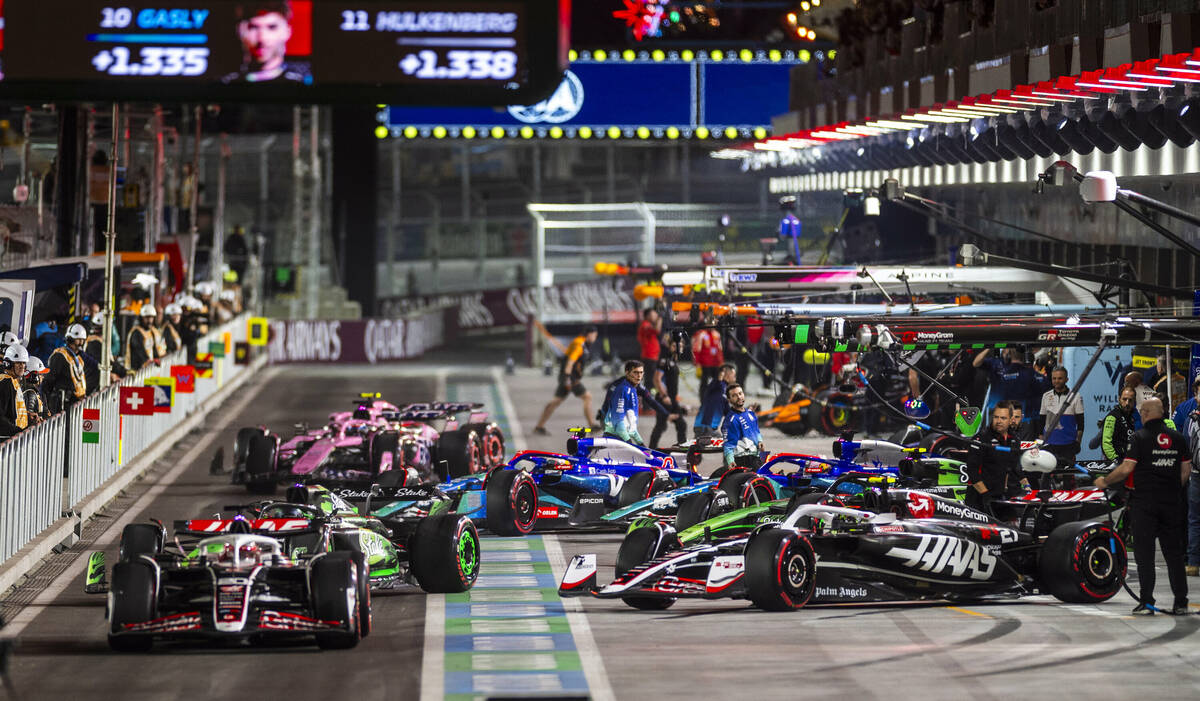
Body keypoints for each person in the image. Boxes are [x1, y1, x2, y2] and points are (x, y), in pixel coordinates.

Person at [1094, 397, 1190, 615]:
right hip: (1172, 502)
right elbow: (1185, 471)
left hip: (1145, 503)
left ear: (1146, 413)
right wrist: (1171, 489)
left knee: (1144, 554)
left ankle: (1147, 602)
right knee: (1174, 554)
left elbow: (1127, 468)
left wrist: (1105, 481)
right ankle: (1181, 602)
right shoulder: (1178, 438)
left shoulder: (1139, 438)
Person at [222, 2, 311, 83]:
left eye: (272, 27)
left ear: (287, 32)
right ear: (240, 31)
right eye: (253, 27)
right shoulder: (226, 83)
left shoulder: (303, 80)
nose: (262, 38)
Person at [532, 326, 599, 435]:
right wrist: (567, 379)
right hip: (570, 378)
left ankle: (539, 426)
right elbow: (570, 362)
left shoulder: (582, 343)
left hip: (569, 377)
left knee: (556, 401)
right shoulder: (579, 345)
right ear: (589, 334)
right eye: (595, 335)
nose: (595, 338)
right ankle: (592, 425)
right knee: (587, 397)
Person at [964, 404, 1030, 513]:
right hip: (979, 498)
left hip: (1002, 497)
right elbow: (972, 470)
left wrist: (1027, 486)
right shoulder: (981, 438)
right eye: (996, 417)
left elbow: (1015, 467)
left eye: (1003, 418)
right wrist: (985, 495)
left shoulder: (1014, 439)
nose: (998, 421)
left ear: (1010, 420)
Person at [600, 361, 675, 446]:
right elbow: (614, 414)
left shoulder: (635, 386)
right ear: (627, 373)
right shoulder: (620, 388)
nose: (639, 376)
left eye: (641, 372)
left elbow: (651, 401)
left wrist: (666, 414)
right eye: (635, 372)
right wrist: (628, 442)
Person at [972, 346, 1048, 417]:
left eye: (1008, 350)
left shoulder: (1024, 369)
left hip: (1017, 409)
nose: (1006, 352)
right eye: (1005, 350)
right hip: (996, 407)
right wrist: (989, 347)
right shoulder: (996, 362)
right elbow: (976, 363)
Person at [1039, 366, 1084, 469]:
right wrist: (1041, 441)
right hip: (1049, 444)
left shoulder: (1075, 396)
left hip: (1068, 444)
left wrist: (1078, 442)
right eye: (1054, 378)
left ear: (1066, 379)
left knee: (1067, 476)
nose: (1056, 381)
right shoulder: (1046, 396)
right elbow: (1041, 421)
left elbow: (1081, 423)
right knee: (1047, 475)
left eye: (1060, 378)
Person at [650, 333, 689, 450]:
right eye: (675, 345)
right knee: (661, 425)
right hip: (664, 399)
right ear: (670, 346)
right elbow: (656, 379)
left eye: (681, 345)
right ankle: (651, 450)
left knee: (680, 425)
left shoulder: (674, 361)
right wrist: (664, 395)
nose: (678, 347)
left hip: (672, 399)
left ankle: (682, 449)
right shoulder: (665, 361)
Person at [44, 323, 88, 413]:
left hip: (75, 403)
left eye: (82, 340)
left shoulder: (78, 359)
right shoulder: (60, 356)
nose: (80, 343)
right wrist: (45, 406)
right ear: (70, 340)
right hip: (62, 404)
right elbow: (48, 381)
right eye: (78, 340)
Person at [723, 384, 765, 469]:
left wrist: (760, 441)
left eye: (740, 393)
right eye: (734, 395)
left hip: (755, 459)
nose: (739, 397)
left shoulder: (750, 413)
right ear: (729, 400)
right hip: (742, 461)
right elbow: (728, 444)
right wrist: (730, 461)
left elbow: (756, 430)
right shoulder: (730, 420)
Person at [694, 363, 736, 439]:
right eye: (734, 375)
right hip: (704, 426)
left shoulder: (725, 390)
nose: (735, 378)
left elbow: (728, 412)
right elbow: (715, 385)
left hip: (711, 428)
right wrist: (719, 377)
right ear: (727, 374)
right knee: (723, 443)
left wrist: (744, 412)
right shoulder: (716, 385)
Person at [1102, 387, 1139, 464]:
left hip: (1129, 460)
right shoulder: (1112, 417)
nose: (1127, 403)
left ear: (1134, 401)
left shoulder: (1134, 416)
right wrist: (1115, 460)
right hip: (1116, 461)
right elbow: (1106, 443)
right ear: (1119, 399)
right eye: (1124, 399)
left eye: (1130, 400)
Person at [0, 344, 30, 438]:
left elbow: (12, 411)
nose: (22, 366)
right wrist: (17, 431)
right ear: (8, 364)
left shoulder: (13, 381)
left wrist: (28, 416)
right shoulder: (5, 383)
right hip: (6, 439)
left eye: (23, 363)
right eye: (18, 363)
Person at [692, 324, 724, 399]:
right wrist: (697, 362)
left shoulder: (717, 334)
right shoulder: (701, 334)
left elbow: (720, 349)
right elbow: (696, 349)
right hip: (704, 364)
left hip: (715, 363)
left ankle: (716, 399)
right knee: (704, 383)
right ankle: (703, 400)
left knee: (717, 382)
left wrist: (721, 361)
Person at [126, 305, 161, 371]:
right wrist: (146, 360)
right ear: (141, 318)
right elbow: (138, 349)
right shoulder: (136, 332)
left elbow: (153, 348)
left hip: (147, 368)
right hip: (136, 370)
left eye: (151, 317)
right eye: (147, 317)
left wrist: (156, 358)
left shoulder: (150, 331)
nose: (149, 320)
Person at [636, 308, 661, 389]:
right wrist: (660, 319)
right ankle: (647, 399)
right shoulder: (645, 325)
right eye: (654, 315)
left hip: (651, 356)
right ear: (648, 316)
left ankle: (648, 397)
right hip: (649, 356)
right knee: (650, 380)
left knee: (650, 379)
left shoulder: (646, 325)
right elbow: (657, 330)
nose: (656, 317)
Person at [22, 356, 50, 422]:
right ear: (34, 376)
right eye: (41, 374)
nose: (43, 377)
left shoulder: (36, 392)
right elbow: (30, 419)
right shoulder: (30, 393)